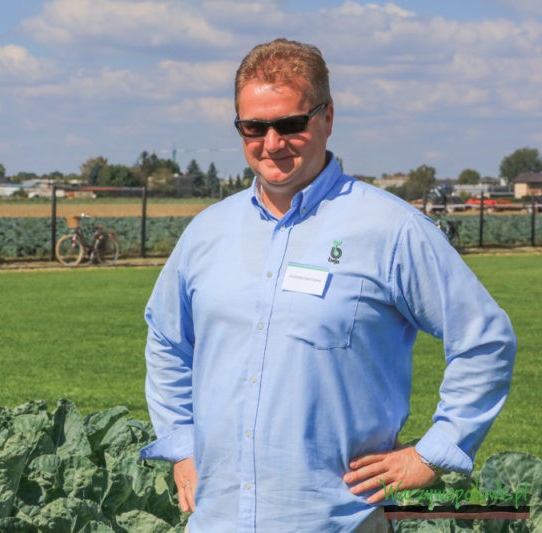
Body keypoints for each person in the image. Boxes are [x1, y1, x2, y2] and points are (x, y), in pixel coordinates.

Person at [140, 38, 516, 531]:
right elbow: (167, 341)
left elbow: (484, 339)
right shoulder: (207, 232)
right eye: (253, 127)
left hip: (336, 519)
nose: (272, 143)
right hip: (219, 518)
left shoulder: (390, 229)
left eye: (290, 124)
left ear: (327, 118)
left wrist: (433, 453)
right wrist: (182, 445)